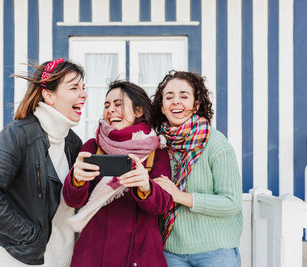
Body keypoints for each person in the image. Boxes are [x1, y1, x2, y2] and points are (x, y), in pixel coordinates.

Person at [0, 59, 87, 267]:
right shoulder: (19, 134)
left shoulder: (73, 142)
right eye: (74, 88)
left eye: (84, 88)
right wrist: (30, 236)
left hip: (51, 256)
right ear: (48, 95)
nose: (83, 94)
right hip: (1, 253)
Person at [63, 80, 173, 267]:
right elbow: (73, 201)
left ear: (138, 111)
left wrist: (146, 187)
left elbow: (163, 205)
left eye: (118, 104)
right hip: (93, 256)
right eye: (107, 105)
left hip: (140, 256)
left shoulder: (156, 151)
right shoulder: (93, 146)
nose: (110, 110)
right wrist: (76, 179)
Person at [152, 70, 242, 267]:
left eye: (184, 96)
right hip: (171, 251)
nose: (176, 101)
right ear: (162, 107)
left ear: (196, 105)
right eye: (169, 97)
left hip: (216, 252)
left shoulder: (216, 143)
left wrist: (180, 196)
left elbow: (231, 202)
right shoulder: (157, 145)